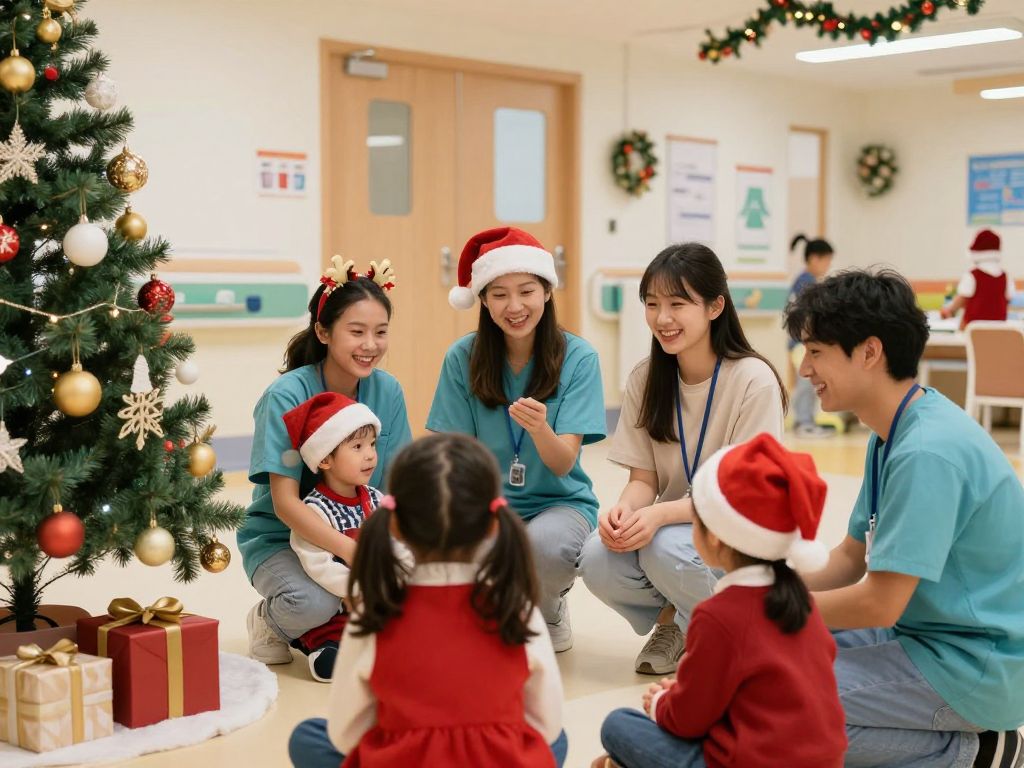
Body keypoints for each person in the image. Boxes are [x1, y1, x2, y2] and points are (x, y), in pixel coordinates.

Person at [786, 268, 1024, 768]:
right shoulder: (891, 432)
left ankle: (976, 753)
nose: (805, 369)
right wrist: (767, 590)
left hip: (973, 665)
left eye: (816, 352)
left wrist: (765, 609)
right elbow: (850, 558)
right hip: (926, 634)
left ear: (869, 352)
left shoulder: (926, 451)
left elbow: (880, 603)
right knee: (774, 654)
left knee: (775, 701)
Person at [288, 433, 568, 768]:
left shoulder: (373, 614)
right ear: (493, 524)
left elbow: (345, 735)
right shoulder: (516, 607)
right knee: (558, 741)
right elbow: (547, 726)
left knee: (309, 737)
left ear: (395, 525)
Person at [578, 243, 786, 675]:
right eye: (652, 304)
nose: (662, 318)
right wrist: (625, 511)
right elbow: (644, 479)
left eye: (678, 303)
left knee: (662, 545)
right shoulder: (645, 377)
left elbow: (741, 496)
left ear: (715, 306)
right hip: (679, 530)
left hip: (737, 531)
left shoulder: (753, 380)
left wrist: (656, 518)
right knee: (598, 555)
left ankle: (737, 628)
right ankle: (681, 621)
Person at [593, 433, 847, 768]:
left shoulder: (718, 615)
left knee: (618, 725)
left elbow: (689, 720)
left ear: (713, 537)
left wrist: (663, 703)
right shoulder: (802, 601)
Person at [426, 226, 606, 652]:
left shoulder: (578, 358)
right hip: (488, 502)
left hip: (559, 503)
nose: (515, 306)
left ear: (546, 291)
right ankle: (498, 604)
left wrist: (540, 429)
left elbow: (563, 464)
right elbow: (453, 458)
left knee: (541, 549)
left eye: (526, 291)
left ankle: (547, 608)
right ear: (483, 301)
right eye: (499, 294)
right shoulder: (462, 357)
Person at [239, 257, 412, 671]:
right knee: (314, 601)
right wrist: (355, 555)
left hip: (362, 531)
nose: (370, 344)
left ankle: (337, 629)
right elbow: (283, 503)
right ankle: (270, 622)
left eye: (380, 332)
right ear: (323, 332)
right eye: (356, 331)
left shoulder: (387, 391)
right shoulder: (285, 395)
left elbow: (400, 489)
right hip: (283, 539)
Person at [282, 391, 384, 682]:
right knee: (332, 660)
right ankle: (312, 642)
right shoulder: (315, 510)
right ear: (325, 459)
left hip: (375, 602)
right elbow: (318, 565)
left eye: (372, 444)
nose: (370, 455)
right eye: (357, 446)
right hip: (340, 605)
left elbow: (396, 543)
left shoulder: (377, 500)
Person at [788, 233, 835, 437]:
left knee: (810, 380)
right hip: (801, 343)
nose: (827, 266)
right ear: (815, 259)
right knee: (807, 382)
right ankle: (803, 422)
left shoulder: (805, 280)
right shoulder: (806, 283)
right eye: (827, 261)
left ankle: (806, 420)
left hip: (800, 342)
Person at [940, 229, 1014, 329]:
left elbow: (962, 299)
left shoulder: (972, 275)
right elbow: (1008, 299)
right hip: (998, 328)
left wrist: (949, 310)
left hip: (973, 328)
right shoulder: (1006, 276)